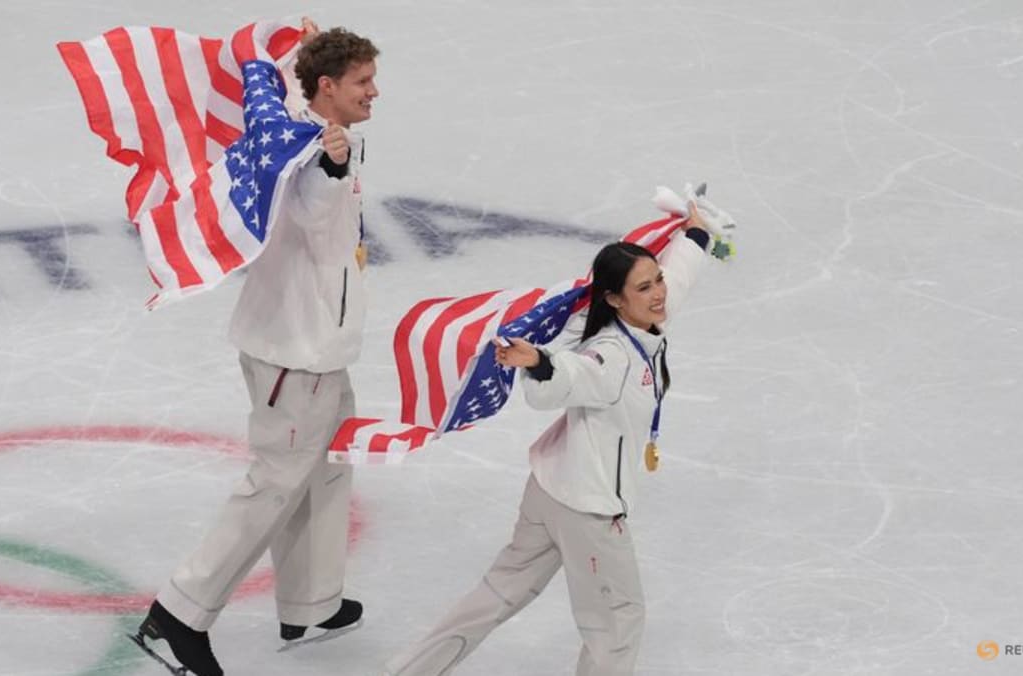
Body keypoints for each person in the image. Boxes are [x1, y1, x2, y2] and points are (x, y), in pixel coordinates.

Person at [132, 20, 381, 676]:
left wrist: (299, 43)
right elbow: (310, 205)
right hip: (295, 357)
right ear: (327, 87)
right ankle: (177, 614)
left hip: (317, 345)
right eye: (362, 81)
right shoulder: (307, 151)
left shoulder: (306, 118)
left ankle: (309, 603)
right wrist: (331, 163)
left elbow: (291, 95)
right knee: (273, 484)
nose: (374, 91)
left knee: (324, 473)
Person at [383, 202, 718, 676]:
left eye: (656, 280)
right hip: (589, 510)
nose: (659, 292)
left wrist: (696, 236)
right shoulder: (613, 356)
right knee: (618, 624)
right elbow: (571, 377)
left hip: (548, 491)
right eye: (645, 286)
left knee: (497, 594)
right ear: (616, 299)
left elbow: (678, 280)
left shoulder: (641, 318)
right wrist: (538, 363)